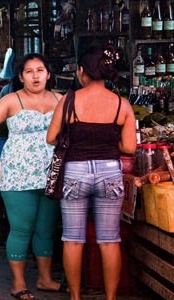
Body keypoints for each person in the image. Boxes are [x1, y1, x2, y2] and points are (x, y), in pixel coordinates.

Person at [0, 53, 65, 300]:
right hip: (17, 174)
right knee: (21, 228)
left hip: (52, 173)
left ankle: (45, 279)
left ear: (48, 73)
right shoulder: (12, 100)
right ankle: (19, 282)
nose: (35, 76)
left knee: (46, 229)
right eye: (29, 71)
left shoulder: (62, 99)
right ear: (21, 76)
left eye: (40, 70)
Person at [46, 46, 136, 300]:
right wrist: (107, 142)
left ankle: (75, 297)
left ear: (82, 72)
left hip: (75, 171)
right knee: (109, 240)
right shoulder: (121, 104)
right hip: (110, 172)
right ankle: (110, 298)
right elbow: (129, 147)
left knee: (73, 239)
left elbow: (51, 137)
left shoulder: (69, 100)